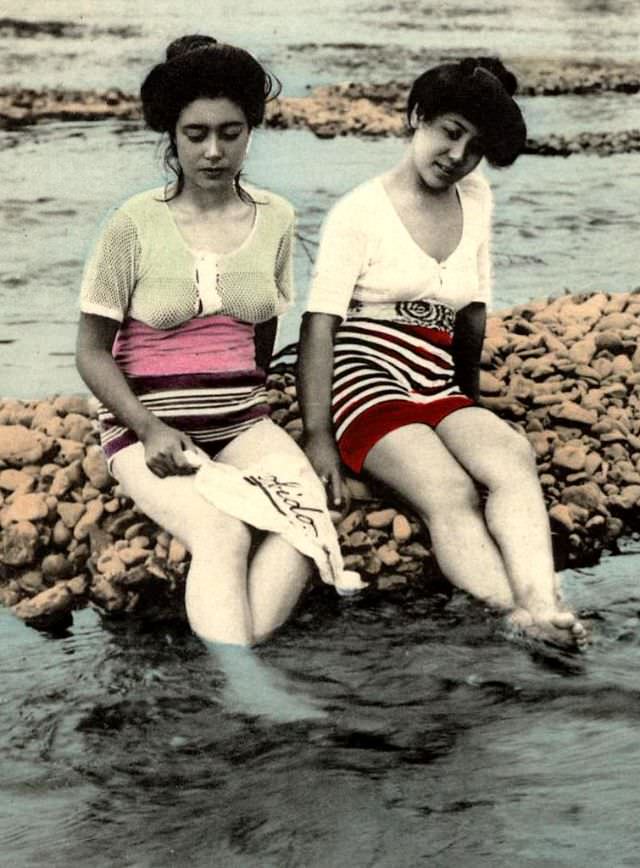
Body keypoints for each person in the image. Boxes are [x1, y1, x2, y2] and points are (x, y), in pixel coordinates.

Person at [76, 35, 330, 717]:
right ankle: (249, 685)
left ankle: (234, 661)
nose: (213, 151)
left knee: (305, 522)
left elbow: (265, 326)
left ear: (252, 130)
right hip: (148, 432)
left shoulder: (275, 217)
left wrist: (273, 416)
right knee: (223, 535)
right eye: (196, 135)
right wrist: (147, 425)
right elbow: (92, 352)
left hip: (242, 420)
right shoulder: (132, 223)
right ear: (172, 136)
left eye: (230, 132)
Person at [297, 57, 588, 651]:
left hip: (436, 377)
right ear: (416, 118)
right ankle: (515, 616)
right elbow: (319, 324)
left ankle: (544, 601)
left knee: (510, 456)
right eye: (450, 131)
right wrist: (318, 434)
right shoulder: (360, 210)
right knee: (448, 490)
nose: (457, 154)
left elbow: (474, 311)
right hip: (365, 373)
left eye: (475, 146)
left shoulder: (476, 198)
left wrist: (467, 410)